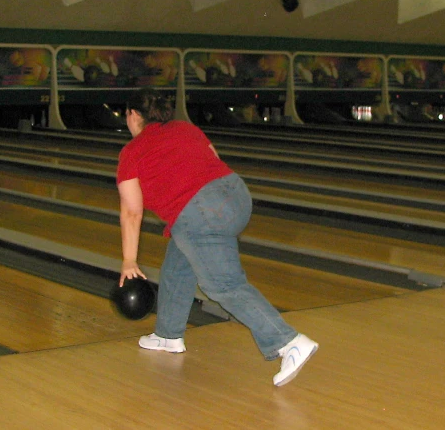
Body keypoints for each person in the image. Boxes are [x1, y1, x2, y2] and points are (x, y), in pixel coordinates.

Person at [116, 88, 318, 387]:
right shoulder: (185, 128)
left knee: (222, 284)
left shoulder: (131, 152)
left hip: (200, 212)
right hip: (235, 195)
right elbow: (212, 160)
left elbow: (132, 212)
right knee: (181, 254)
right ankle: (168, 335)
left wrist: (129, 260)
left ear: (134, 116)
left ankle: (287, 342)